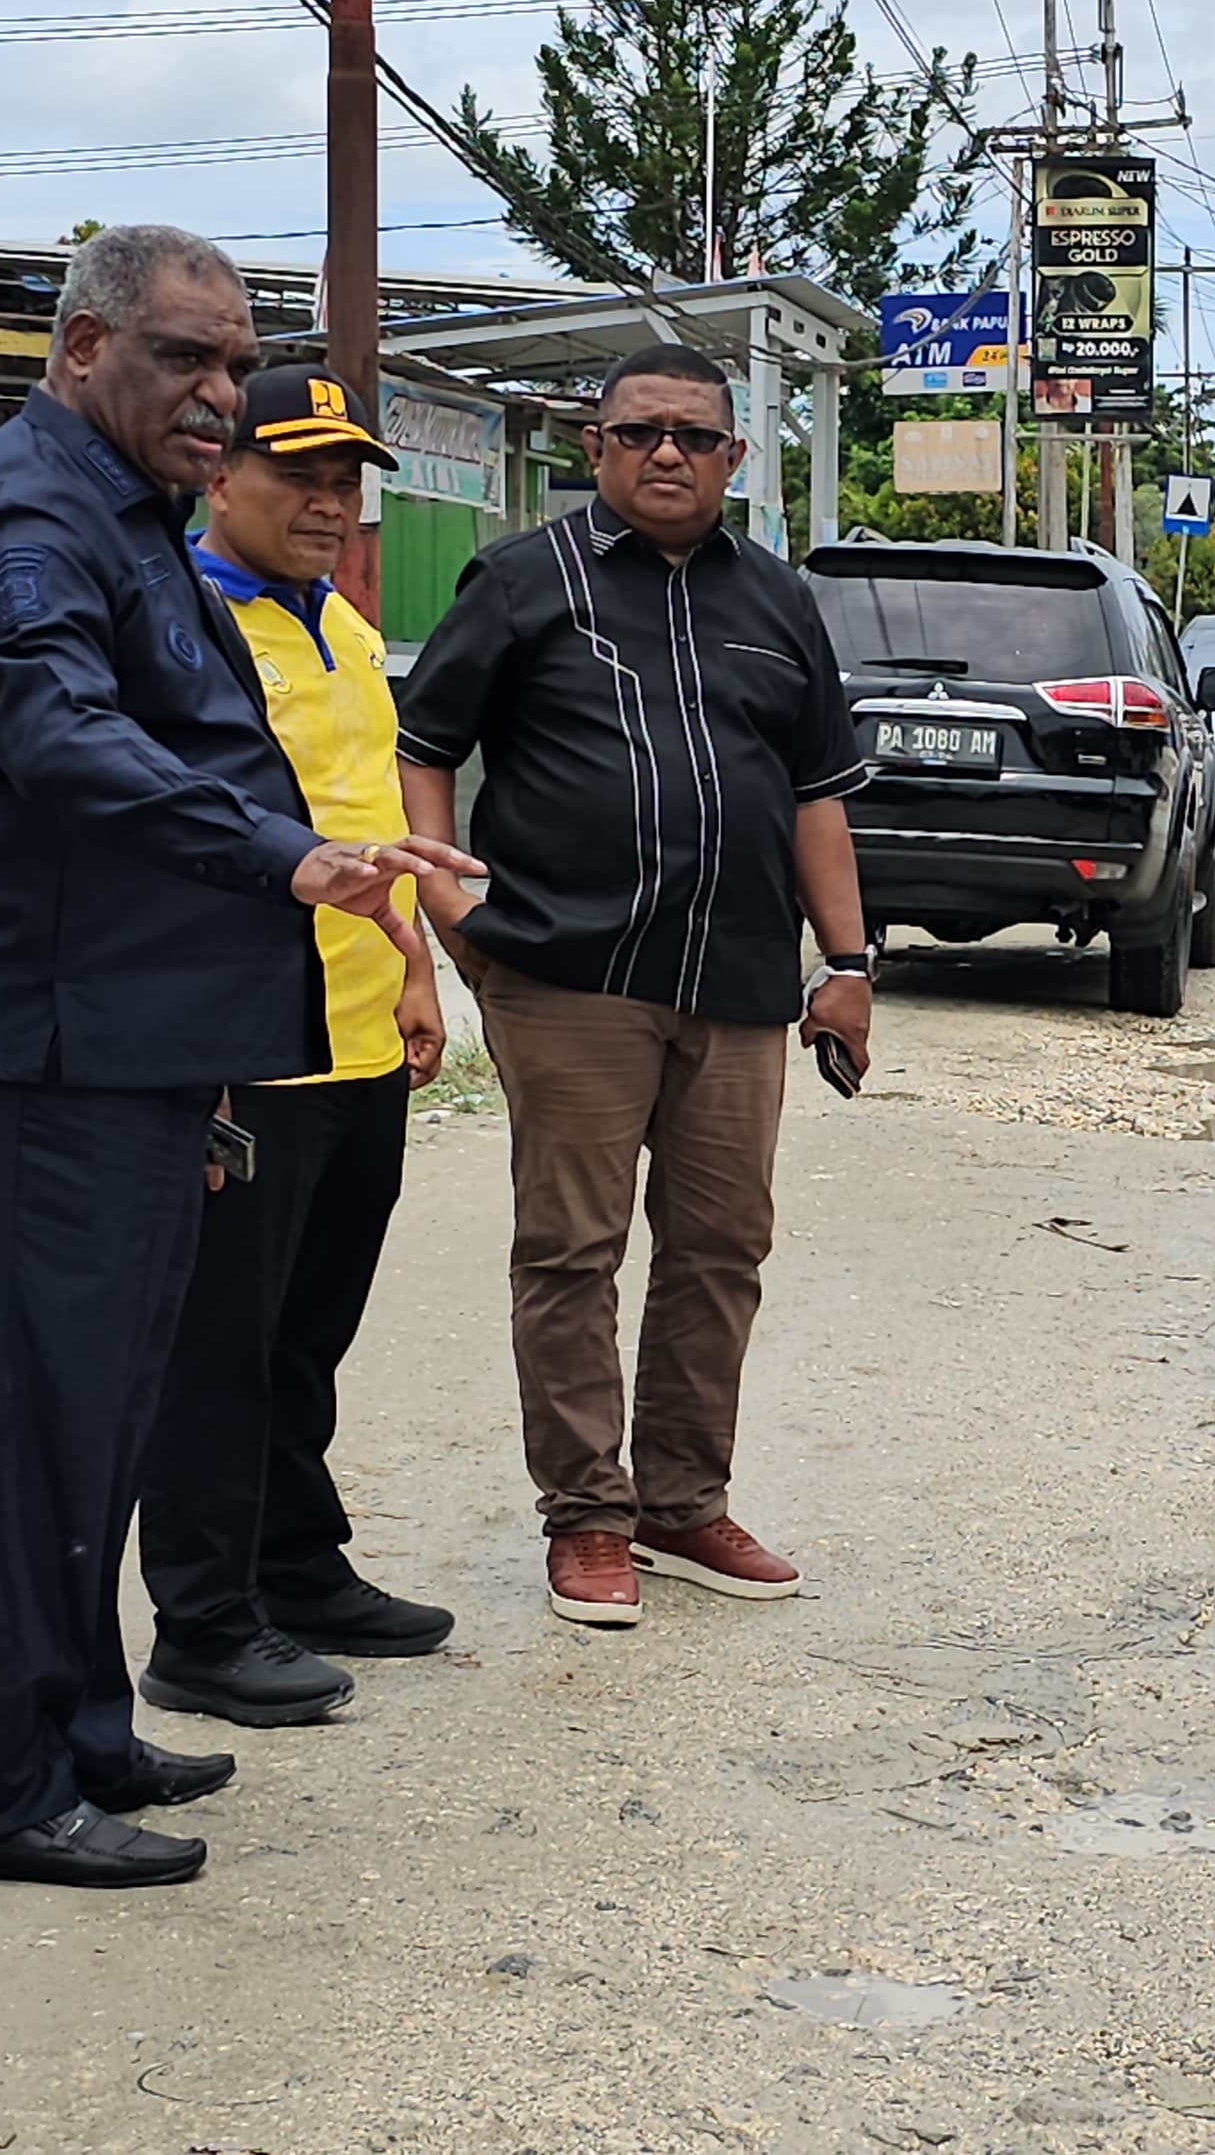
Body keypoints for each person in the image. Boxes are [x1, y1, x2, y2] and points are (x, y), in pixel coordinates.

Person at [0, 225, 473, 1888]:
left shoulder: (121, 511)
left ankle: (78, 1724)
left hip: (135, 1051)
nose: (220, 394)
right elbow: (57, 734)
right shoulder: (25, 515)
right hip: (47, 1054)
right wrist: (284, 853)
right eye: (185, 359)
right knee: (31, 1430)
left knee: (103, 1413)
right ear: (82, 351)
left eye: (234, 361)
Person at [393, 341, 873, 1631]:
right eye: (641, 431)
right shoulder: (519, 580)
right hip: (570, 977)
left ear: (733, 459)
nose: (668, 453)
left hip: (736, 983)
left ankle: (679, 1499)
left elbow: (818, 796)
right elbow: (425, 746)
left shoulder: (778, 602)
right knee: (571, 1251)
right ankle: (587, 1518)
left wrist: (848, 963)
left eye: (696, 436)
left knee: (722, 1246)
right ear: (594, 448)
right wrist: (453, 906)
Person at [132, 365, 457, 1730]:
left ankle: (297, 1567)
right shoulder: (177, 625)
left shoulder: (338, 624)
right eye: (298, 476)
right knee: (219, 1346)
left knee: (306, 1334)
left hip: (357, 1035)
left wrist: (419, 973)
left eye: (346, 481)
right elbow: (158, 844)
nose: (330, 504)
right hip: (243, 1049)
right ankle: (202, 1624)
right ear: (220, 477)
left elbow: (367, 816)